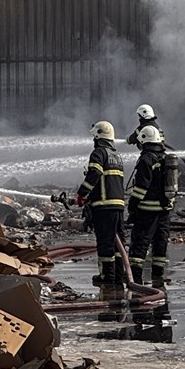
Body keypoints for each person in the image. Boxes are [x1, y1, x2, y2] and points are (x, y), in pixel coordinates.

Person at [76, 120, 126, 288]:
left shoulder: (98, 153)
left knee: (105, 243)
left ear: (98, 136)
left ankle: (107, 276)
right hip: (118, 206)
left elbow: (94, 174)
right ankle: (120, 275)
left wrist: (82, 194)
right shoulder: (116, 156)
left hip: (104, 207)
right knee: (118, 244)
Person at [126, 125, 174, 286]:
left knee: (140, 244)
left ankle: (136, 280)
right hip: (164, 210)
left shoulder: (146, 159)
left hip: (147, 210)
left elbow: (141, 187)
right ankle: (158, 278)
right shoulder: (165, 157)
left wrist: (132, 205)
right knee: (160, 244)